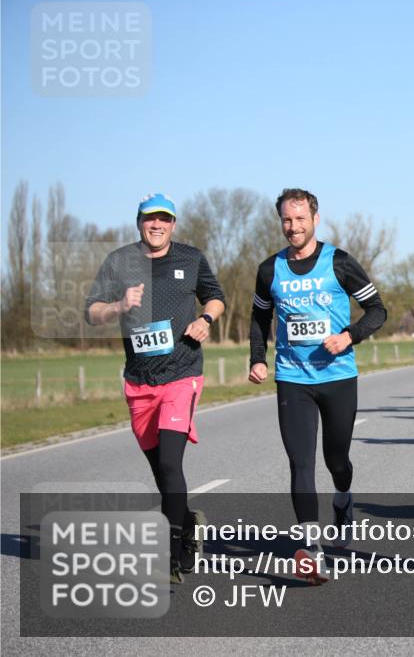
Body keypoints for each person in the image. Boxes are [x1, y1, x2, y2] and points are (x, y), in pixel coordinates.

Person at [248, 188, 386, 585]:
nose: (293, 227)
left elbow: (378, 310)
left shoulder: (339, 263)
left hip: (338, 376)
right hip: (293, 378)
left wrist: (349, 336)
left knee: (336, 460)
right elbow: (259, 319)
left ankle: (343, 500)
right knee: (300, 462)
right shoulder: (269, 269)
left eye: (300, 219)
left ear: (315, 219)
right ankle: (312, 550)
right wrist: (257, 358)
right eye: (287, 220)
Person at [85, 193, 226, 583]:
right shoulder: (119, 262)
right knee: (160, 471)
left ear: (174, 224)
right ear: (139, 223)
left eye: (164, 219)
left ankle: (173, 553)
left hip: (182, 373)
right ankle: (189, 524)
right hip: (139, 381)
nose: (157, 225)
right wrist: (116, 307)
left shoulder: (190, 258)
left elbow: (216, 297)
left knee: (169, 462)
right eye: (150, 219)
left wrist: (205, 320)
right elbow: (91, 310)